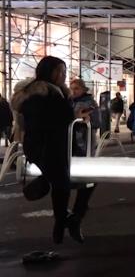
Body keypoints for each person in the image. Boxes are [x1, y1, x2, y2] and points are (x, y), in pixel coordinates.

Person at [12, 56, 94, 243]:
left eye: (64, 71)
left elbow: (61, 117)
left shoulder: (60, 92)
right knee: (61, 182)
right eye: (58, 71)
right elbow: (40, 120)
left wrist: (75, 117)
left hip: (63, 144)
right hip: (43, 146)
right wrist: (70, 116)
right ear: (47, 71)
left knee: (91, 178)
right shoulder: (37, 93)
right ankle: (60, 224)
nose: (62, 75)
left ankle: (74, 218)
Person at [69, 78, 100, 158]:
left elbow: (97, 121)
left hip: (84, 140)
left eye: (76, 88)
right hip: (71, 140)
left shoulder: (89, 102)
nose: (73, 91)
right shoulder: (70, 102)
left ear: (83, 89)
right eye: (71, 88)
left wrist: (85, 120)